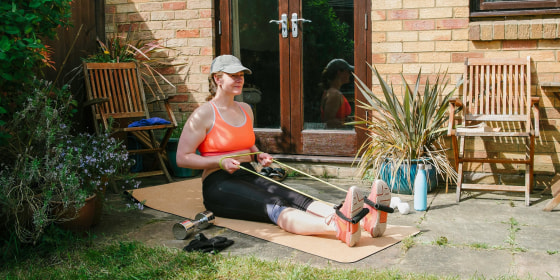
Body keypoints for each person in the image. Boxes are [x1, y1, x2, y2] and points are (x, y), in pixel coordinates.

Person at [176, 55, 390, 247]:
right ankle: (338, 227)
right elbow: (182, 158)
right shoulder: (203, 114)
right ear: (217, 79)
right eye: (234, 75)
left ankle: (364, 220)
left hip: (247, 172)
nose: (240, 79)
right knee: (275, 204)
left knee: (296, 197)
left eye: (241, 75)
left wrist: (257, 154)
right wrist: (219, 162)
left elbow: (246, 144)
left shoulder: (245, 110)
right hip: (218, 183)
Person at [320, 59, 354, 128]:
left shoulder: (332, 92)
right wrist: (346, 124)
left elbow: (336, 117)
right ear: (339, 72)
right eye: (348, 71)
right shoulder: (334, 94)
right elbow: (329, 122)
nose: (349, 74)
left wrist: (348, 119)